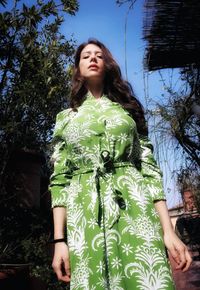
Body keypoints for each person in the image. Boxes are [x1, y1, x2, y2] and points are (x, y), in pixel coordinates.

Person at [49, 38, 192, 290]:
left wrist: (168, 231)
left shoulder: (128, 110)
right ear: (77, 68)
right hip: (86, 214)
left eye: (98, 55)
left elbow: (148, 168)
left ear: (107, 64)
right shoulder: (65, 119)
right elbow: (60, 180)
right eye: (86, 56)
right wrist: (60, 240)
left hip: (134, 206)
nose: (92, 58)